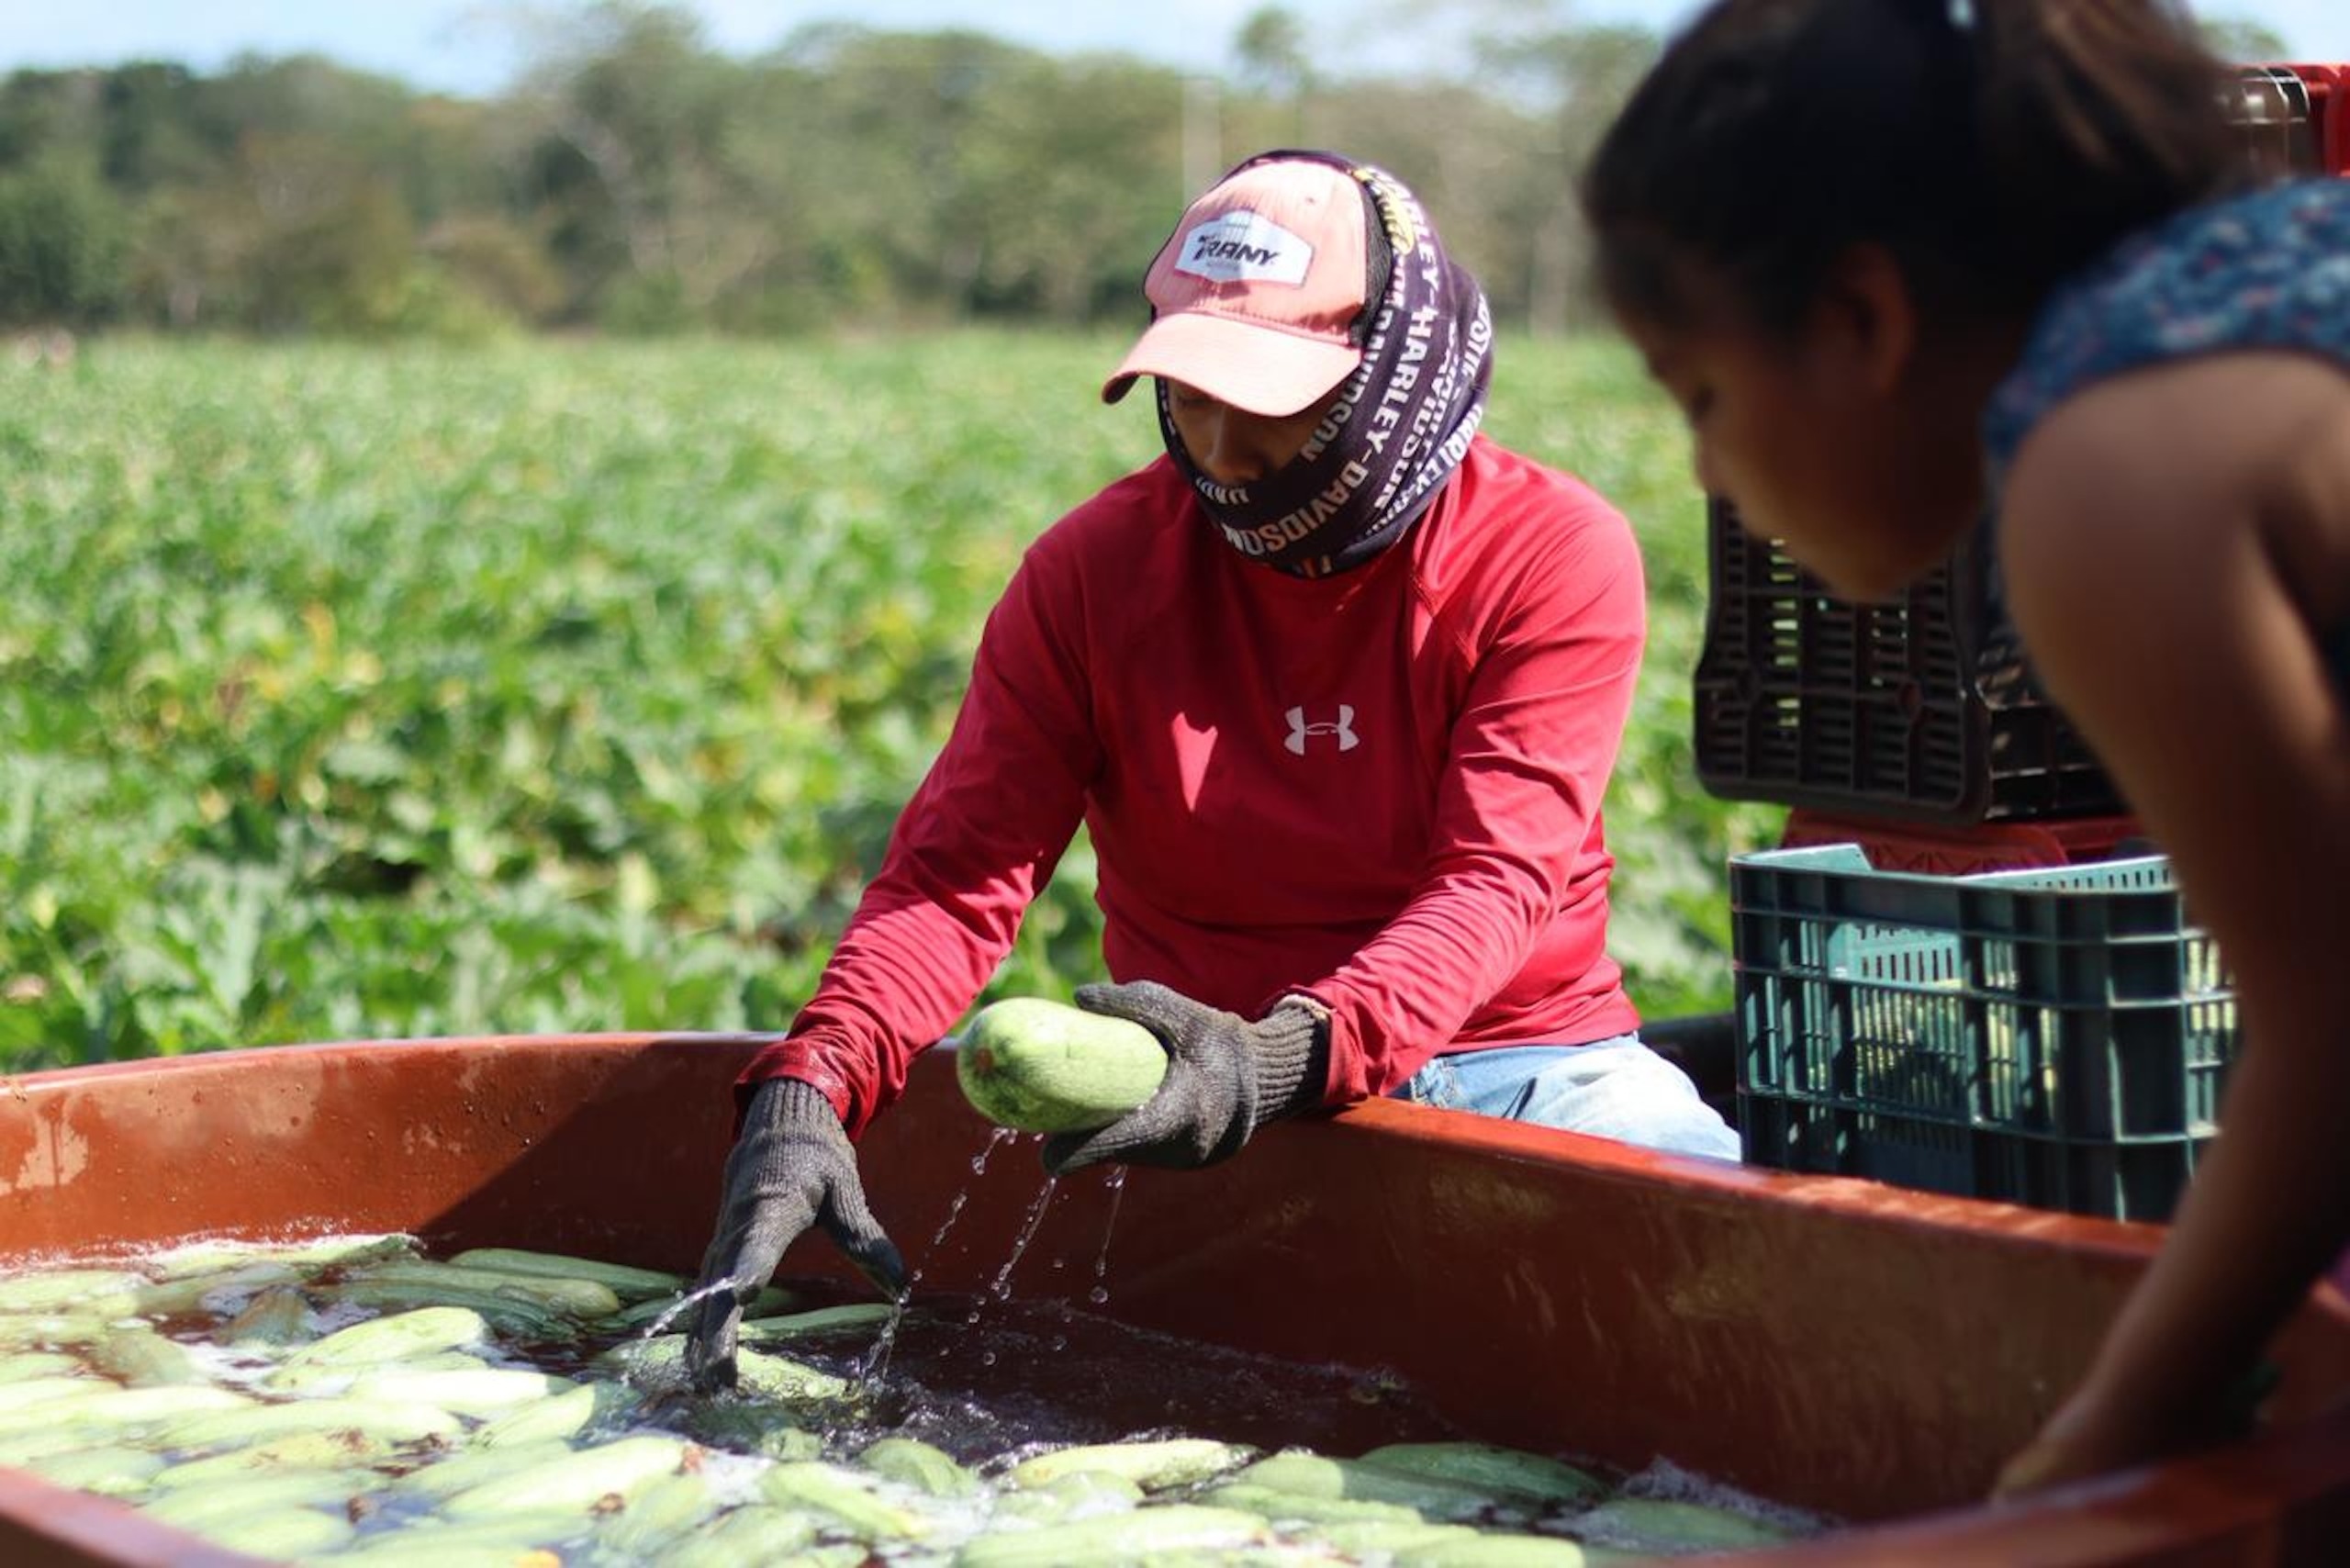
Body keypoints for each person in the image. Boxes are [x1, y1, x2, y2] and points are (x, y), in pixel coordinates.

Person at [683, 148, 1740, 1390]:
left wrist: (1283, 1056)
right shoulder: (1092, 573)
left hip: (1526, 1066)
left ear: (1394, 379)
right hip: (1188, 1099)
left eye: (1274, 404)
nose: (1225, 454)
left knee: (1746, 1292)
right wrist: (814, 1085)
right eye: (1188, 399)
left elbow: (1495, 882)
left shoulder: (1548, 551)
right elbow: (957, 875)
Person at [1580, 0, 2350, 1497]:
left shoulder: (2113, 466)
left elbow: (2330, 1033)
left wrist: (2095, 1445)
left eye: (1703, 395)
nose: (1703, 469)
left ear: (1863, 318)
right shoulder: (2259, 289)